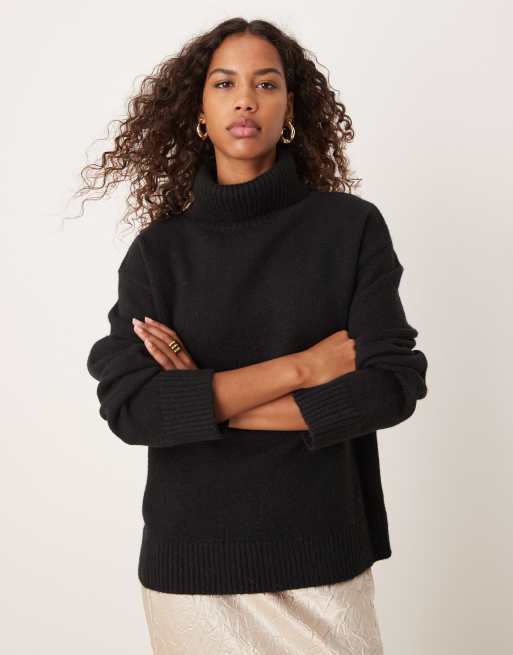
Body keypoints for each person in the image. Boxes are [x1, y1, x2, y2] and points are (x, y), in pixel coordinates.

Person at [84, 17, 428, 655]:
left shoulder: (350, 229)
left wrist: (202, 398)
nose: (245, 99)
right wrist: (302, 370)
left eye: (266, 84)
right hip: (194, 572)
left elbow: (392, 385)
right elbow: (131, 407)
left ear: (290, 107)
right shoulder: (159, 254)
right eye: (225, 84)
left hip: (324, 563)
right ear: (200, 112)